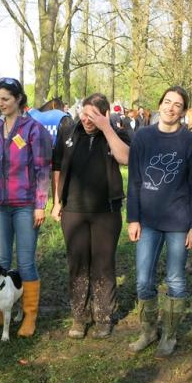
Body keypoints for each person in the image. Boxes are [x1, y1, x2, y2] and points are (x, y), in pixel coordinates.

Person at [127, 86, 192, 357]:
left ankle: (169, 335)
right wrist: (133, 218)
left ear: (183, 111)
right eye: (167, 102)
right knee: (143, 280)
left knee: (175, 279)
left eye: (177, 105)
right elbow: (134, 181)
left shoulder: (190, 142)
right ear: (159, 104)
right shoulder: (143, 136)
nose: (171, 108)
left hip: (179, 223)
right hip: (147, 221)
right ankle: (148, 331)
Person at [51, 93, 130, 339]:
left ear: (104, 114)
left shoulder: (117, 133)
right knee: (77, 263)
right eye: (84, 114)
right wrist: (57, 201)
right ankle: (79, 317)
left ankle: (103, 317)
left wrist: (106, 128)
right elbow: (57, 166)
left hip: (106, 211)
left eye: (93, 115)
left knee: (103, 265)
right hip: (73, 209)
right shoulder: (68, 133)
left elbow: (125, 158)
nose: (86, 120)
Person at [0, 78, 52, 337]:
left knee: (26, 261)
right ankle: (0, 310)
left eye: (6, 99)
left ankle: (30, 315)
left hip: (25, 205)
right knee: (1, 260)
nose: (1, 104)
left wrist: (40, 204)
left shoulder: (34, 129)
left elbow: (43, 169)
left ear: (18, 99)